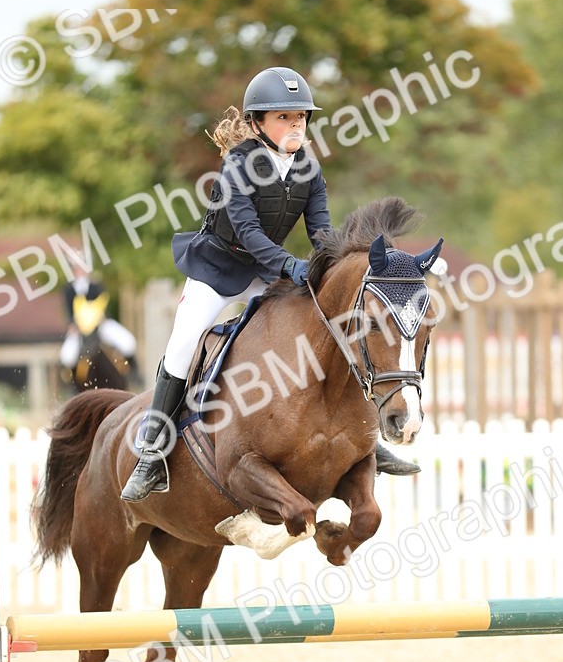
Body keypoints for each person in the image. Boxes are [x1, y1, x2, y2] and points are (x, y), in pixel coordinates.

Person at [120, 65, 418, 502]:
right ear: (257, 123)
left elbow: (321, 232)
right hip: (218, 271)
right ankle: (152, 451)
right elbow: (247, 233)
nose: (295, 124)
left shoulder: (309, 170)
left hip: (265, 272)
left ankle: (365, 437)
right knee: (184, 342)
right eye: (284, 117)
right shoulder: (237, 165)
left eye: (300, 117)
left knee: (330, 326)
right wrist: (290, 267)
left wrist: (328, 265)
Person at [59, 261, 137, 373]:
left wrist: (101, 319)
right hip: (79, 327)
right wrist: (73, 325)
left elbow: (104, 304)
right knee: (67, 356)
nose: (81, 271)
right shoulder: (68, 290)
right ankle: (69, 381)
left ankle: (134, 372)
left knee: (127, 342)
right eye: (78, 268)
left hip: (100, 324)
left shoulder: (96, 286)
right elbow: (68, 311)